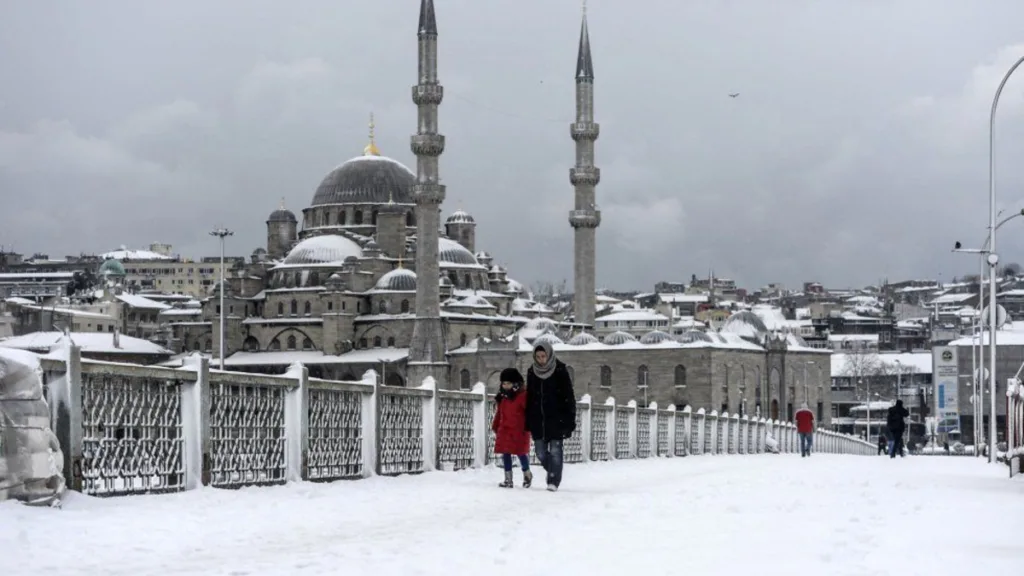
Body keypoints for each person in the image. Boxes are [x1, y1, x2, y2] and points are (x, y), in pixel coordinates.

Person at [524, 340, 576, 492]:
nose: (541, 360)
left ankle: (553, 480)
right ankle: (553, 470)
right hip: (538, 420)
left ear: (549, 355)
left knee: (555, 451)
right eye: (538, 357)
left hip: (556, 419)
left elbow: (568, 395)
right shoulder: (532, 371)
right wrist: (528, 419)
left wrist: (569, 419)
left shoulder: (560, 370)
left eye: (543, 356)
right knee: (540, 452)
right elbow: (530, 396)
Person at [492, 368, 533, 489]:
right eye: (504, 383)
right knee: (506, 453)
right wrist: (495, 425)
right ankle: (508, 479)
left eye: (508, 383)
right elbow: (499, 413)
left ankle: (527, 474)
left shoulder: (523, 396)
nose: (506, 386)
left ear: (515, 383)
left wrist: (531, 424)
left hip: (519, 430)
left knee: (521, 453)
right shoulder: (503, 397)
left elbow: (529, 411)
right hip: (505, 429)